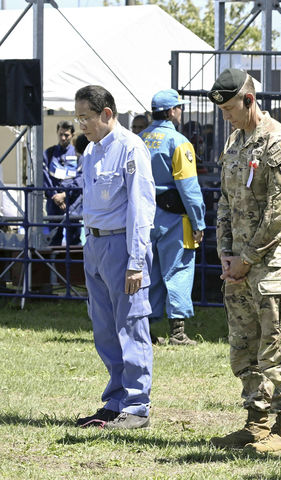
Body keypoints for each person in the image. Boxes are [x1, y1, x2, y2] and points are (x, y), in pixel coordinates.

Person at [207, 68, 281, 453]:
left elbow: (280, 213)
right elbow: (226, 203)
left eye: (231, 108)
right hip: (240, 267)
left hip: (272, 265)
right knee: (244, 346)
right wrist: (227, 255)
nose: (226, 116)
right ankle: (256, 422)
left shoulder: (276, 143)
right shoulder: (235, 141)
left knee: (278, 346)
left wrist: (246, 259)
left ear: (249, 100)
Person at [73, 85, 156, 430]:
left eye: (86, 118)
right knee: (105, 328)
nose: (81, 125)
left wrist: (136, 262)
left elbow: (141, 208)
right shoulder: (92, 151)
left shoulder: (130, 148)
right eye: (78, 119)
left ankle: (137, 405)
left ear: (107, 114)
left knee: (131, 325)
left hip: (122, 247)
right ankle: (117, 399)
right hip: (95, 246)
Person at [142, 89, 206, 346]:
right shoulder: (179, 142)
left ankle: (145, 327)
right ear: (171, 112)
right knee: (178, 269)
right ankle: (178, 332)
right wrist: (199, 222)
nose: (181, 111)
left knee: (149, 272)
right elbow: (189, 188)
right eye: (179, 107)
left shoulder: (139, 139)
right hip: (174, 218)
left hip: (145, 217)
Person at [43, 120, 82, 246]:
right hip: (54, 204)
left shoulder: (78, 154)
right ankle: (53, 266)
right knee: (54, 239)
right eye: (61, 134)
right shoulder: (49, 153)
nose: (63, 138)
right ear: (57, 133)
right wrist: (55, 196)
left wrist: (64, 195)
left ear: (72, 135)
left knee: (74, 241)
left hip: (73, 204)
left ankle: (74, 266)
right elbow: (44, 177)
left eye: (66, 135)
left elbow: (82, 178)